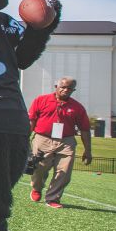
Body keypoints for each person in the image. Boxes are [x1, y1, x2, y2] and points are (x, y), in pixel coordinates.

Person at [28, 77, 93, 209]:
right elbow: (31, 121)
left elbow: (85, 130)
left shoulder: (78, 107)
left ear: (73, 90)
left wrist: (88, 150)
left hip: (66, 141)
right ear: (56, 86)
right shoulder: (41, 100)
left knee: (64, 171)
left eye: (69, 88)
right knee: (39, 169)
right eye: (62, 87)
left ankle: (53, 198)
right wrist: (25, 139)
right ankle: (37, 188)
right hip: (42, 138)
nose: (65, 90)